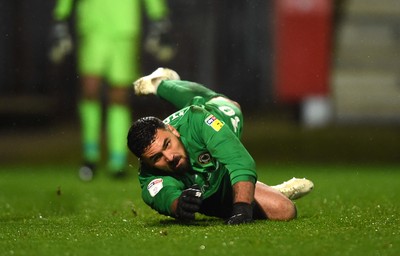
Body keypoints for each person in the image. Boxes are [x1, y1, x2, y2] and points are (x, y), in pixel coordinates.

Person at [127, 68, 314, 224]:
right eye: (156, 157)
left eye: (167, 144)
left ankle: (160, 83)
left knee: (222, 104)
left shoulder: (198, 120)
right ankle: (270, 190)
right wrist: (179, 206)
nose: (169, 157)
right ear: (146, 163)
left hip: (217, 119)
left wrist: (242, 208)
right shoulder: (149, 175)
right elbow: (161, 195)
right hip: (212, 192)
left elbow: (239, 159)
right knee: (284, 210)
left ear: (173, 130)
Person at [49, 0, 171, 180]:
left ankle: (118, 160)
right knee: (90, 89)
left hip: (124, 28)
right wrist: (61, 14)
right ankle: (90, 156)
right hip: (93, 26)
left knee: (119, 96)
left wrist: (158, 15)